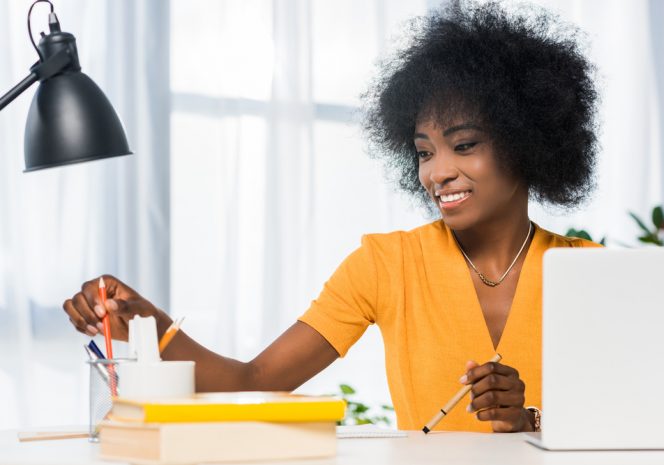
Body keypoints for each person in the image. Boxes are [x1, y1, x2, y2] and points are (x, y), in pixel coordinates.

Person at [63, 1, 600, 433]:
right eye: (424, 151)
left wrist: (528, 419)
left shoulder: (590, 271)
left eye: (463, 145)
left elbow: (634, 425)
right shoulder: (388, 263)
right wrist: (146, 319)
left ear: (530, 142)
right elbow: (254, 381)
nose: (438, 172)